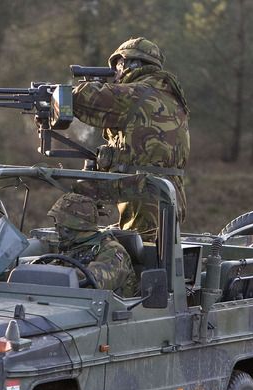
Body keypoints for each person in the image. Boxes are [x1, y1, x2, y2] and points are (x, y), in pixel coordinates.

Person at [73, 37, 190, 241]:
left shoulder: (136, 94)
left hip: (146, 199)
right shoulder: (168, 94)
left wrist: (56, 94)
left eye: (118, 66)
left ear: (131, 64)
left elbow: (84, 99)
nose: (116, 74)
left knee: (140, 263)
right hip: (166, 198)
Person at [48, 193, 137, 296]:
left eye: (58, 223)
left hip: (107, 309)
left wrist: (52, 276)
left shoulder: (112, 250)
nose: (56, 227)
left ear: (70, 226)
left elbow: (95, 283)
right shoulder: (72, 246)